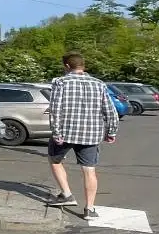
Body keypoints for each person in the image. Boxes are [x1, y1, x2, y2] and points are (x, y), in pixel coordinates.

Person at [45, 52, 119, 220]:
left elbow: (55, 109)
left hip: (65, 132)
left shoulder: (60, 82)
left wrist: (56, 132)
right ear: (83, 66)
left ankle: (67, 194)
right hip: (91, 134)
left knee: (54, 160)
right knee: (89, 170)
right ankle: (90, 209)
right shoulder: (99, 84)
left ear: (67, 66)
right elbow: (110, 111)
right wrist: (111, 132)